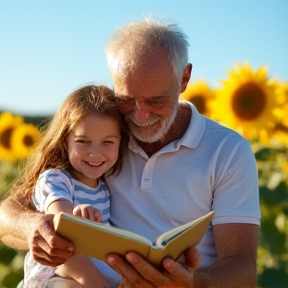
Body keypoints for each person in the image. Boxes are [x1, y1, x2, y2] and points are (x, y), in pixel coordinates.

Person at [0, 16, 260, 287]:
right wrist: (33, 228)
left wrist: (191, 283)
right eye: (125, 99)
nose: (140, 115)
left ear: (184, 79)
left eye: (156, 100)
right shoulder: (104, 136)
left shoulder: (228, 151)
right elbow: (9, 213)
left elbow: (242, 266)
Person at [13, 85, 128, 287]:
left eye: (107, 142)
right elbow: (61, 225)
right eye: (83, 142)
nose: (95, 153)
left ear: (120, 141)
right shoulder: (55, 179)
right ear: (65, 142)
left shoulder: (104, 187)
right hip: (58, 276)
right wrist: (75, 216)